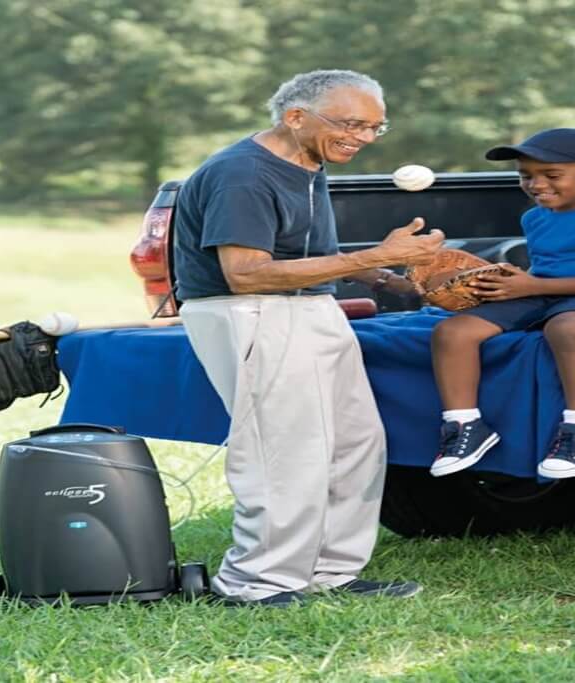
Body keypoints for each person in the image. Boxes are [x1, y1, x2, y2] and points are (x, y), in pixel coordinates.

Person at [173, 69, 444, 607]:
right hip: (251, 311)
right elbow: (245, 273)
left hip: (311, 308)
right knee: (285, 450)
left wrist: (394, 278)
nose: (363, 138)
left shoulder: (308, 161)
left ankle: (329, 572)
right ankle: (257, 582)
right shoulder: (242, 175)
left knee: (355, 444)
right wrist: (377, 256)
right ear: (295, 117)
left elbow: (304, 255)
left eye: (373, 127)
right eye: (351, 124)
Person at [428, 128, 575, 480]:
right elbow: (549, 268)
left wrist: (534, 285)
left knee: (566, 328)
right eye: (526, 175)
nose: (536, 185)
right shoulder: (534, 217)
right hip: (548, 292)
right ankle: (465, 426)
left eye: (551, 175)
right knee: (452, 332)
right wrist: (511, 282)